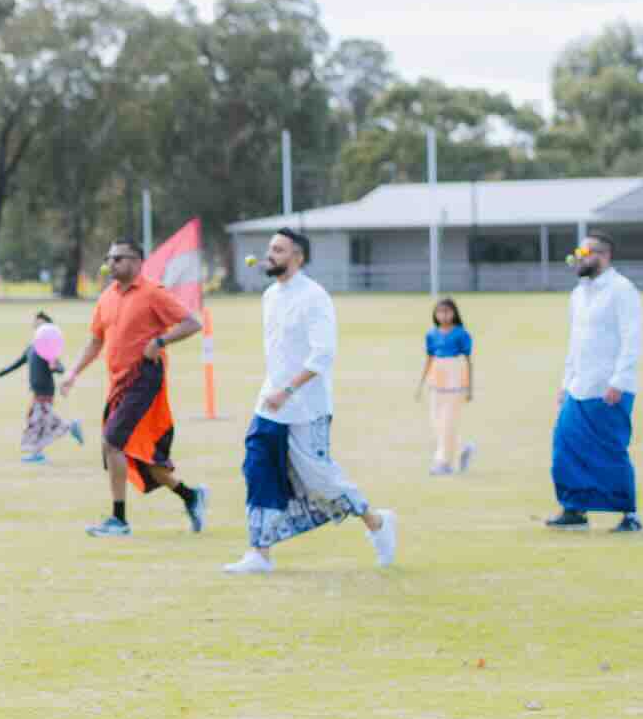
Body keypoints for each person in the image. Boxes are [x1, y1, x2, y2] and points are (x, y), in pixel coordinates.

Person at [223, 228, 398, 574]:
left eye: (278, 250)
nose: (269, 255)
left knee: (319, 478)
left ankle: (377, 522)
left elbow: (323, 355)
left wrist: (287, 391)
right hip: (269, 404)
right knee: (257, 466)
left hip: (306, 405)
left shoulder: (315, 297)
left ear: (297, 257)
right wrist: (274, 392)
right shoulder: (270, 296)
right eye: (270, 248)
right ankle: (260, 553)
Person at [61, 239, 209, 537]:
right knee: (139, 454)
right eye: (109, 257)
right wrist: (73, 372)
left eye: (119, 258)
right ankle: (191, 496)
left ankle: (119, 521)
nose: (112, 263)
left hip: (144, 378)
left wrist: (160, 342)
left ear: (138, 262)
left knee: (113, 442)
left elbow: (192, 323)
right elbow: (96, 341)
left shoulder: (153, 293)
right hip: (118, 383)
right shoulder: (106, 298)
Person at [548, 230, 643, 532]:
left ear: (604, 256)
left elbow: (631, 338)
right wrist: (565, 382)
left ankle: (629, 515)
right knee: (565, 446)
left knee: (611, 451)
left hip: (609, 388)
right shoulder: (578, 294)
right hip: (578, 386)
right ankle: (574, 510)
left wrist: (620, 380)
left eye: (585, 253)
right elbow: (575, 343)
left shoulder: (621, 289)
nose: (578, 259)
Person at [0, 312, 83, 463]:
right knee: (39, 421)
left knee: (38, 421)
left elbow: (60, 368)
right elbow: (18, 363)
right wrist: (0, 373)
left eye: (41, 323)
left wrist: (54, 366)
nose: (37, 325)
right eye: (36, 323)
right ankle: (64, 431)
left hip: (45, 391)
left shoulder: (48, 348)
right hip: (36, 392)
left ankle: (42, 450)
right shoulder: (32, 347)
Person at [415, 298, 475, 476]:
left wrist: (469, 388)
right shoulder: (431, 335)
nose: (444, 315)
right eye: (440, 312)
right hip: (436, 385)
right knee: (437, 425)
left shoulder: (461, 334)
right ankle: (463, 449)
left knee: (448, 424)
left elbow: (468, 361)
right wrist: (421, 384)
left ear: (454, 313)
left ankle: (442, 462)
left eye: (447, 311)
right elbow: (429, 359)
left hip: (455, 385)